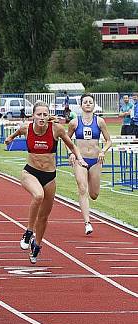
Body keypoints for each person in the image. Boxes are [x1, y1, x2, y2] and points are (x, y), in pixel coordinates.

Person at [4, 101, 87, 264]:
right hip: (30, 172)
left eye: (45, 114)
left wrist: (80, 159)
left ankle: (37, 245)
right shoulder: (26, 128)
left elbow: (72, 146)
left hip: (49, 177)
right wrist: (9, 139)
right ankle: (28, 232)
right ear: (33, 115)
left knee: (43, 217)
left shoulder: (56, 129)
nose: (42, 117)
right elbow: (14, 134)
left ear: (49, 116)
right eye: (39, 114)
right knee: (38, 196)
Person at [67, 94, 112, 235]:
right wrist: (71, 153)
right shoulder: (74, 122)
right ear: (81, 105)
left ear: (93, 105)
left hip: (95, 160)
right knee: (82, 188)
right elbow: (67, 139)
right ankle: (87, 222)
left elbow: (109, 140)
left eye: (90, 102)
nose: (87, 104)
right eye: (85, 102)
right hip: (80, 159)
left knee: (94, 194)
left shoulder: (100, 122)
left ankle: (88, 217)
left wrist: (103, 151)